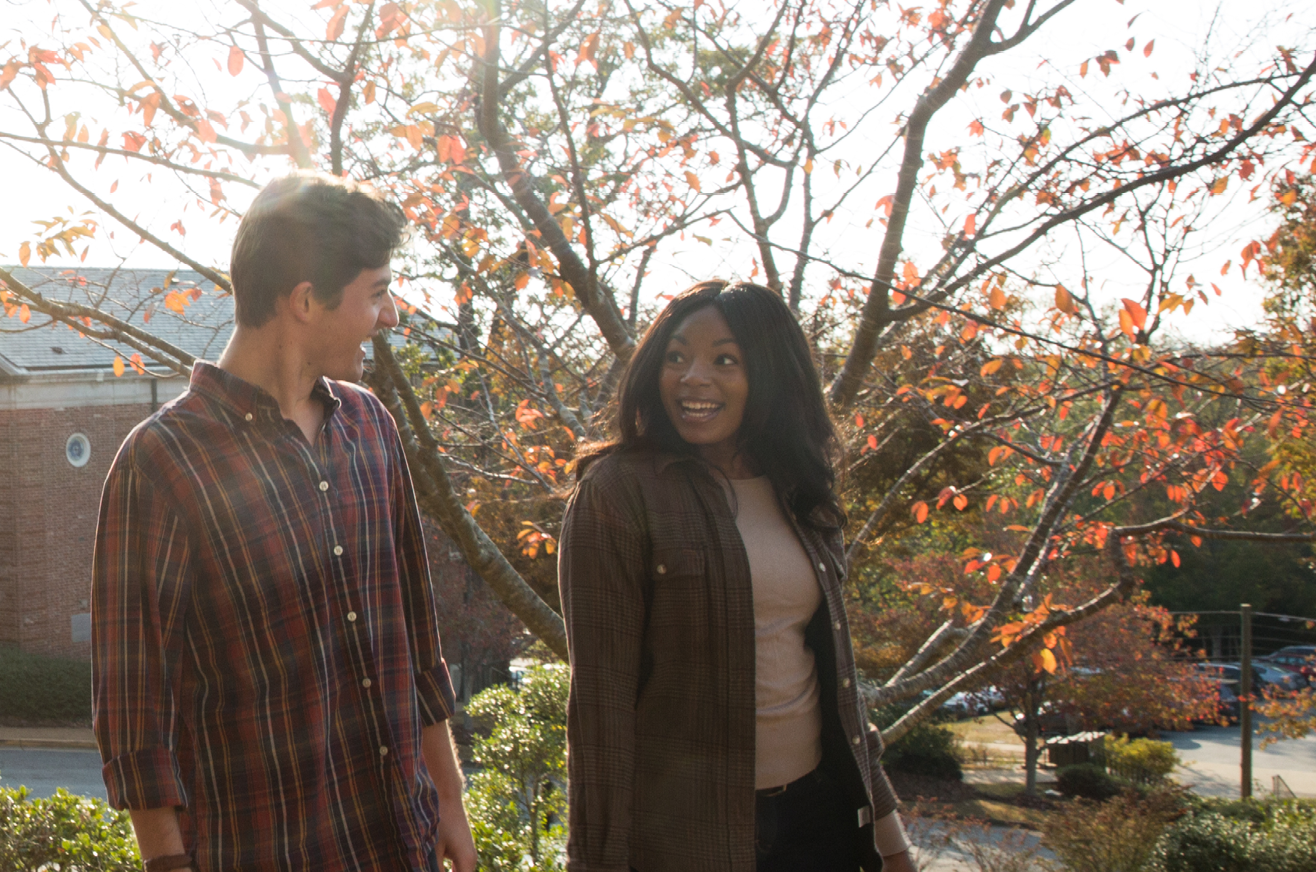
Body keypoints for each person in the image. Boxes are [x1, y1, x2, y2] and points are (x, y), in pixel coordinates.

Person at [91, 171, 479, 872]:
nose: (390, 317)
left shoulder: (370, 428)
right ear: (305, 301)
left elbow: (415, 638)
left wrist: (447, 801)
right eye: (376, 294)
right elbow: (132, 703)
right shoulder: (161, 462)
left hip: (399, 842)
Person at [560, 281, 914, 872]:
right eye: (676, 356)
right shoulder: (619, 493)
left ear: (771, 374)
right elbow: (599, 710)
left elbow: (838, 688)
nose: (692, 377)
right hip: (685, 840)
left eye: (726, 360)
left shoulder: (802, 489)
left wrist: (891, 839)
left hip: (819, 821)